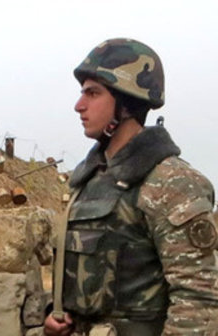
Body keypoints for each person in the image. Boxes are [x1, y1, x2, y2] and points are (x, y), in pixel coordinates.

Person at [44, 38, 218, 336]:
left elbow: (198, 300)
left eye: (93, 93)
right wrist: (57, 316)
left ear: (126, 105)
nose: (79, 105)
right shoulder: (89, 180)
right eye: (82, 92)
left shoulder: (171, 183)